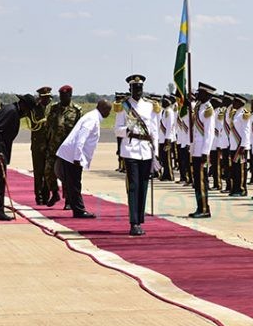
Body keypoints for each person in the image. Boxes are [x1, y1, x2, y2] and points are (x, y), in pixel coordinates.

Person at [114, 74, 161, 235]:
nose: (138, 91)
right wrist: (127, 129)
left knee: (143, 185)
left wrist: (156, 153)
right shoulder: (124, 106)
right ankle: (133, 223)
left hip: (146, 150)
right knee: (133, 186)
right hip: (130, 149)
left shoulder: (150, 106)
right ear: (130, 89)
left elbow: (154, 131)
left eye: (140, 88)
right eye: (135, 88)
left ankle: (140, 219)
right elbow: (117, 130)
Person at [0, 94, 36, 220]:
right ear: (24, 106)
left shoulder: (12, 110)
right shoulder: (11, 111)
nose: (27, 114)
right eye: (28, 110)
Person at [55, 101, 111, 219]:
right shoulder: (92, 119)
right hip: (72, 156)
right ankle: (79, 211)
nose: (109, 113)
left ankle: (77, 209)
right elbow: (81, 139)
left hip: (70, 154)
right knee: (75, 184)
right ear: (102, 109)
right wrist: (77, 157)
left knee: (73, 184)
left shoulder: (92, 116)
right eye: (108, 110)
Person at [44, 85, 83, 207]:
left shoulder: (76, 110)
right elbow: (48, 126)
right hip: (53, 146)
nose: (62, 98)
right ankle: (55, 193)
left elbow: (79, 130)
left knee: (66, 174)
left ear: (70, 95)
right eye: (61, 95)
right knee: (48, 171)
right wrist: (46, 142)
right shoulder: (54, 108)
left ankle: (68, 200)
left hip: (67, 148)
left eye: (65, 95)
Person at [189, 82, 217, 218]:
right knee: (197, 181)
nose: (197, 94)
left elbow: (209, 134)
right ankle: (200, 207)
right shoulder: (199, 107)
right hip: (196, 150)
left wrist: (205, 152)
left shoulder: (208, 109)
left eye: (200, 92)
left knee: (201, 181)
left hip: (202, 152)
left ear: (206, 94)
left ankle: (204, 209)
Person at [29, 86, 53, 204]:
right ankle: (38, 196)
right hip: (37, 145)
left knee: (48, 172)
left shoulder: (53, 109)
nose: (46, 99)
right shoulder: (34, 109)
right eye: (44, 97)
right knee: (38, 172)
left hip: (49, 145)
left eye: (48, 97)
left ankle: (46, 195)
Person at [229, 94, 251, 197]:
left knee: (241, 169)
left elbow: (246, 131)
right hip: (234, 145)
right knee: (235, 169)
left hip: (240, 146)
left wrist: (243, 145)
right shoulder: (235, 113)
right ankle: (235, 188)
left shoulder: (244, 114)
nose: (233, 103)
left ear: (240, 103)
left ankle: (242, 189)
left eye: (235, 101)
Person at [159, 95, 177, 182]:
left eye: (164, 101)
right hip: (162, 138)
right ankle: (165, 174)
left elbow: (170, 126)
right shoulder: (164, 111)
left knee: (167, 158)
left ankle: (169, 175)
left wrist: (168, 138)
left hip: (167, 138)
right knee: (164, 158)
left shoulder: (169, 112)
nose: (162, 102)